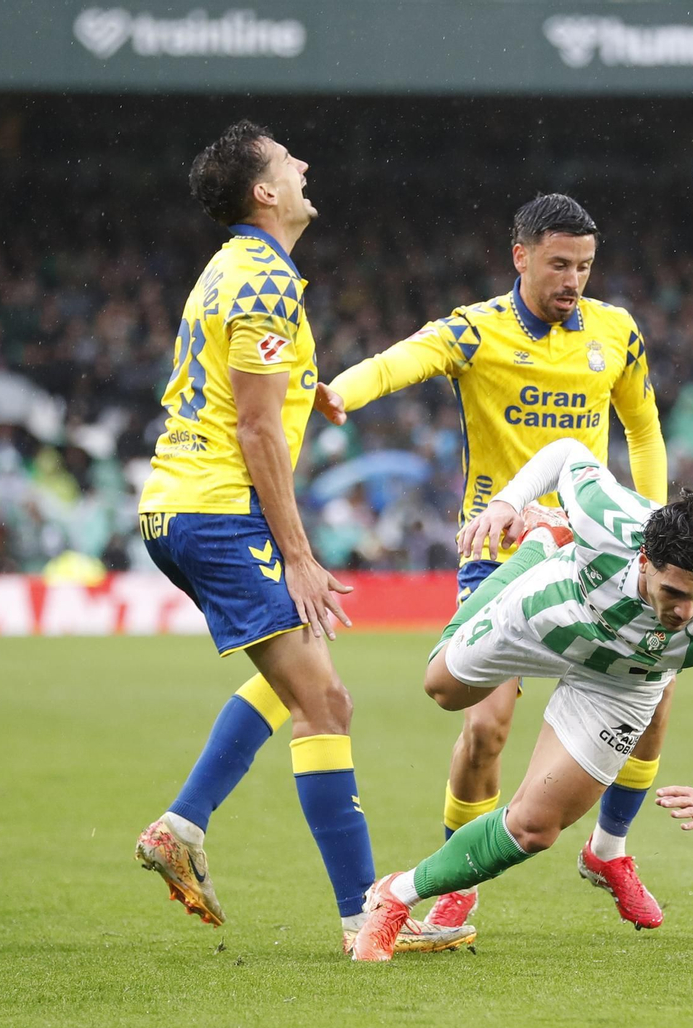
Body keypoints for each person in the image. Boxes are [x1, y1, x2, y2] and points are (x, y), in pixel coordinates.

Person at [131, 120, 471, 955]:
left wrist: (310, 387)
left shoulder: (237, 271)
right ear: (265, 192)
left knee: (298, 681)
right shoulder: (262, 283)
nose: (306, 165)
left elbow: (248, 391)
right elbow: (254, 429)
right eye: (289, 162)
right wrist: (299, 555)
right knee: (327, 701)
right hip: (217, 510)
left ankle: (183, 823)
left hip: (182, 505)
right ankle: (366, 917)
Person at [327, 194, 671, 930]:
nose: (573, 278)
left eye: (584, 264)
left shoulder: (616, 333)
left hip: (596, 554)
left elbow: (642, 429)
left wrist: (654, 523)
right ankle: (460, 877)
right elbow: (401, 361)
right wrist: (340, 393)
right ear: (520, 256)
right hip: (501, 559)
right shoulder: (475, 330)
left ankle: (610, 850)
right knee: (484, 727)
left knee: (654, 704)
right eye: (558, 264)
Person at [348, 439, 693, 961]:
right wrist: (507, 501)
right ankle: (541, 544)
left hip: (620, 682)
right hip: (545, 618)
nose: (686, 612)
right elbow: (568, 453)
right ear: (644, 558)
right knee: (442, 689)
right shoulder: (607, 519)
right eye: (673, 593)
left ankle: (395, 896)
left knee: (534, 828)